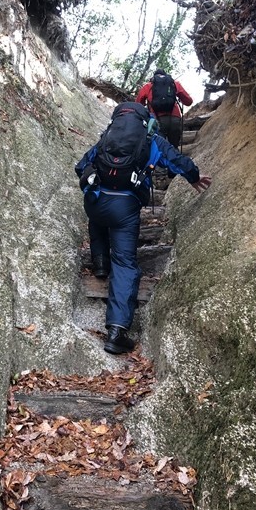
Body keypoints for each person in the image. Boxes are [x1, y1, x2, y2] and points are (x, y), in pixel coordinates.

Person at [75, 102, 211, 356]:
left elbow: (81, 166)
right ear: (144, 119)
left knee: (97, 215)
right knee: (125, 263)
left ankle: (101, 262)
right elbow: (176, 160)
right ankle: (116, 332)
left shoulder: (106, 137)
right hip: (125, 207)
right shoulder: (151, 138)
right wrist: (194, 177)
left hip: (97, 203)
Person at [135, 69, 193, 150]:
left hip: (157, 120)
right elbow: (188, 102)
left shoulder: (148, 86)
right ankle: (176, 159)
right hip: (175, 119)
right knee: (174, 147)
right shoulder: (174, 83)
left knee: (160, 148)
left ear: (154, 76)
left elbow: (138, 105)